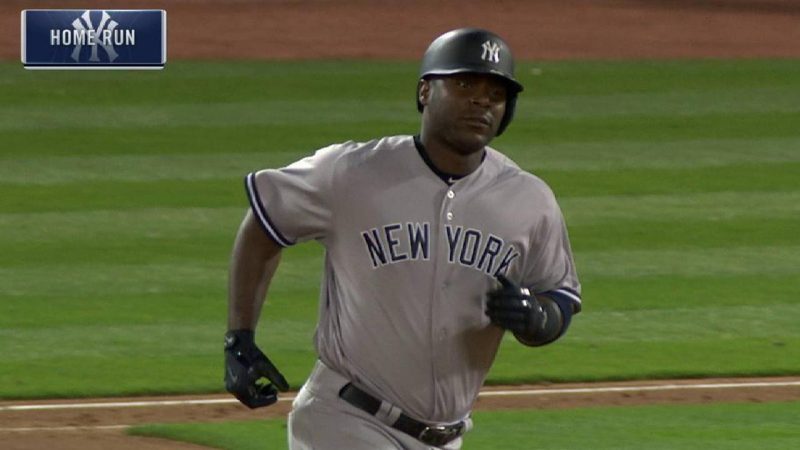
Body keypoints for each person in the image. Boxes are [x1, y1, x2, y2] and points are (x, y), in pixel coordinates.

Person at [224, 28, 582, 449]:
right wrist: (239, 338)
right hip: (344, 421)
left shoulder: (529, 199)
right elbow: (264, 222)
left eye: (496, 93)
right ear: (425, 91)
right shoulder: (351, 172)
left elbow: (559, 295)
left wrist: (538, 317)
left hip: (446, 435)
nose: (482, 101)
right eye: (464, 85)